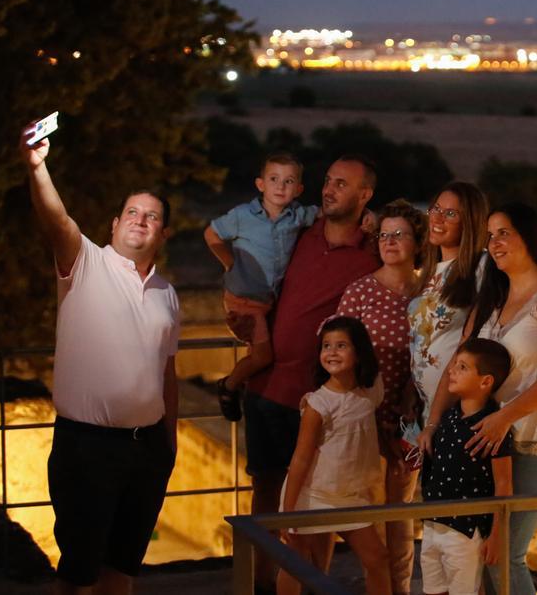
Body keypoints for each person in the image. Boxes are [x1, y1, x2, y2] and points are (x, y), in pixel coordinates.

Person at [20, 125, 180, 593]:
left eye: (151, 216)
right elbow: (56, 219)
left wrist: (167, 446)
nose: (140, 220)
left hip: (146, 449)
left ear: (163, 232)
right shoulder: (85, 262)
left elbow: (166, 371)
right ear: (114, 224)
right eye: (132, 211)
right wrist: (36, 167)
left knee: (122, 570)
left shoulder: (168, 295)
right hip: (86, 449)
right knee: (77, 574)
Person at [424, 202, 537, 595]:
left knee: (506, 556)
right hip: (478, 445)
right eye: (490, 235)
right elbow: (456, 365)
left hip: (532, 442)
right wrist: (433, 424)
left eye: (504, 233)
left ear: (528, 235)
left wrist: (503, 418)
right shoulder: (492, 299)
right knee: (477, 553)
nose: (494, 243)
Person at [244, 155, 379, 591]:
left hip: (320, 400)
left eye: (342, 184)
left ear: (365, 196)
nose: (329, 189)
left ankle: (312, 587)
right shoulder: (299, 231)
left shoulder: (372, 252)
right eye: (327, 180)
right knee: (265, 494)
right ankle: (261, 584)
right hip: (267, 388)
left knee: (317, 508)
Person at [335, 199, 427, 594]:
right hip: (364, 419)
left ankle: (400, 588)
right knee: (369, 514)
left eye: (400, 235)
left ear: (417, 242)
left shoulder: (429, 293)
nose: (390, 242)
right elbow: (336, 351)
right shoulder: (360, 293)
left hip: (411, 420)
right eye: (385, 234)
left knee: (401, 512)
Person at [277, 316, 389, 595]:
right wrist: (288, 513)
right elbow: (301, 458)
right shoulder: (318, 404)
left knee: (377, 558)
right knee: (296, 562)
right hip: (313, 494)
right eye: (326, 346)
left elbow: (371, 430)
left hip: (350, 495)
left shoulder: (372, 389)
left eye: (341, 345)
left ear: (359, 351)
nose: (332, 352)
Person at [204, 153, 316, 422]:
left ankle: (252, 393)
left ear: (299, 189)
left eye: (288, 181)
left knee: (260, 352)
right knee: (264, 356)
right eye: (274, 179)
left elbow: (326, 214)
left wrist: (368, 216)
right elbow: (212, 234)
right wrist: (230, 263)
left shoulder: (298, 216)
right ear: (260, 184)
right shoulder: (244, 215)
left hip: (268, 299)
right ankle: (229, 386)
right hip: (244, 298)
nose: (281, 186)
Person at [420, 338, 515, 595]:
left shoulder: (492, 428)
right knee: (432, 589)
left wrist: (496, 535)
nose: (451, 371)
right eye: (454, 365)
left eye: (462, 367)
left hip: (465, 530)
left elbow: (503, 483)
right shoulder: (449, 416)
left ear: (486, 381)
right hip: (432, 521)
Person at [408, 182, 489, 423]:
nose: (438, 218)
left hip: (456, 410)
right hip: (424, 409)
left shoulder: (481, 267)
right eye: (435, 209)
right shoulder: (428, 271)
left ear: (470, 222)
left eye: (451, 214)